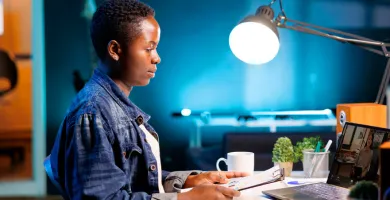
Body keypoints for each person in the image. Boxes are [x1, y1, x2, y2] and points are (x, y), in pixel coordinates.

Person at [48, 0, 248, 199]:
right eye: (149, 48)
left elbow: (133, 179)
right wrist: (186, 198)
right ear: (115, 50)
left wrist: (187, 181)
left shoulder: (114, 105)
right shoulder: (93, 112)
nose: (157, 58)